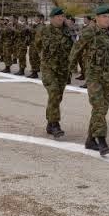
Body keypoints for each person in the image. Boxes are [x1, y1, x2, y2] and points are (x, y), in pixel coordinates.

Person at [68, 5, 109, 156]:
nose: (108, 19)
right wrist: (70, 69)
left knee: (100, 110)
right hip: (94, 76)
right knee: (99, 108)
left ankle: (90, 139)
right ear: (97, 18)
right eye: (105, 17)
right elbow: (76, 49)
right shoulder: (89, 31)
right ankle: (102, 140)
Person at [38, 7, 74, 138]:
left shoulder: (68, 32)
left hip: (63, 70)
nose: (61, 18)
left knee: (57, 97)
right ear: (52, 18)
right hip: (49, 68)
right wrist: (44, 60)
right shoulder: (44, 30)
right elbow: (38, 46)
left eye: (62, 16)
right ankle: (55, 124)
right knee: (53, 92)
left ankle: (49, 122)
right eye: (58, 17)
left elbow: (73, 48)